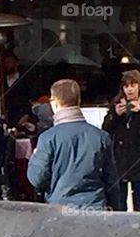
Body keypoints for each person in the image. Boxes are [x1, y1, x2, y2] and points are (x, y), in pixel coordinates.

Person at [27, 79, 123, 211]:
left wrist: (34, 158)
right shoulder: (101, 137)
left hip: (60, 209)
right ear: (78, 101)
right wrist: (117, 211)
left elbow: (36, 178)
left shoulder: (48, 138)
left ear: (54, 103)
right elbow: (111, 180)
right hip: (95, 209)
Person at [101, 70, 140, 210]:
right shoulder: (117, 104)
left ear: (139, 86)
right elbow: (106, 129)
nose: (129, 89)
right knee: (119, 201)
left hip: (138, 158)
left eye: (133, 85)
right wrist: (116, 115)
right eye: (126, 86)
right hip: (120, 158)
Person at [1, 51, 31, 125]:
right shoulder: (1, 82)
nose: (7, 65)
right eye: (6, 63)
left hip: (21, 116)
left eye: (10, 62)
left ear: (16, 63)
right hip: (6, 117)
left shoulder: (25, 80)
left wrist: (26, 115)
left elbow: (29, 99)